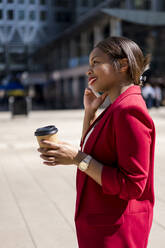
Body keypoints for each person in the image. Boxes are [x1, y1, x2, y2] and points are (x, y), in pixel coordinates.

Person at [37, 36, 156, 248]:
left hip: (116, 233)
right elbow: (94, 153)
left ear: (122, 65)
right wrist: (90, 113)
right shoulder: (116, 107)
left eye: (96, 62)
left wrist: (77, 158)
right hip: (103, 227)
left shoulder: (129, 110)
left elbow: (133, 185)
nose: (88, 70)